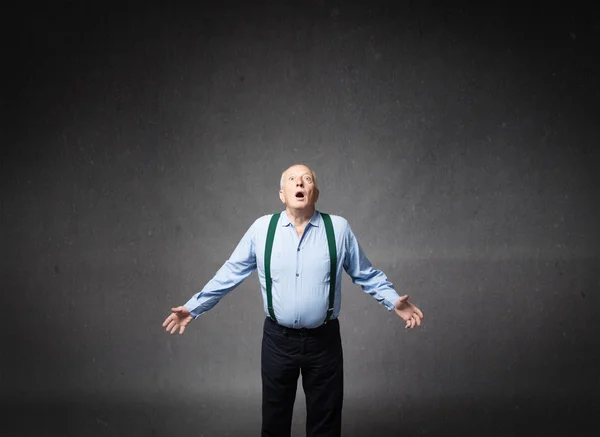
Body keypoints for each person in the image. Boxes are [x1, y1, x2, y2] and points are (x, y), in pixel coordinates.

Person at [162, 164, 424, 437]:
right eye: (292, 179)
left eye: (306, 179)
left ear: (315, 192)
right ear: (282, 194)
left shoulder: (339, 229)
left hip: (325, 343)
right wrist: (193, 307)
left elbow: (366, 274)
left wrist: (394, 301)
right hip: (278, 341)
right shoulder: (262, 229)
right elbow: (229, 274)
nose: (300, 183)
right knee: (275, 423)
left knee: (326, 424)